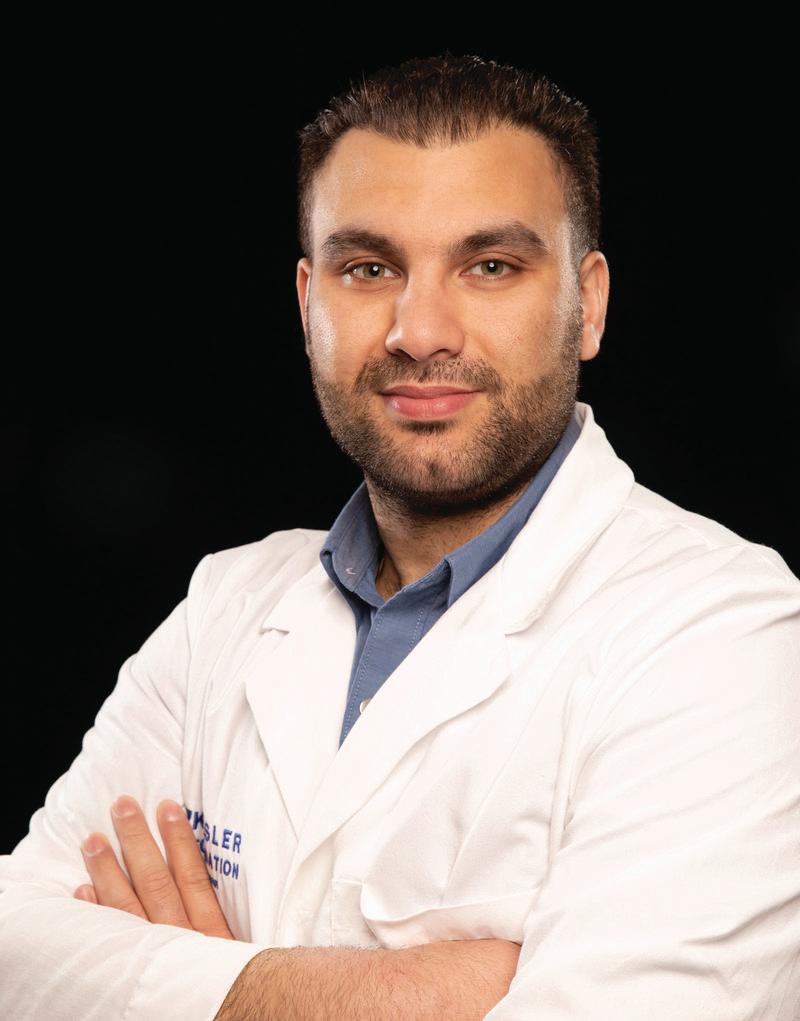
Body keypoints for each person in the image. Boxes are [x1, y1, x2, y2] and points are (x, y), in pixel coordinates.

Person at [2, 52, 799, 1021]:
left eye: (490, 266)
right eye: (369, 268)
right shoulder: (227, 604)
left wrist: (159, 983)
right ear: (308, 303)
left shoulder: (727, 634)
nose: (420, 331)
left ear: (586, 304)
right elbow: (13, 947)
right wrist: (394, 990)